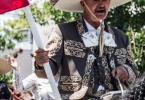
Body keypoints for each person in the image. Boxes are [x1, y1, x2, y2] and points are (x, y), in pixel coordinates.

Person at [34, 0, 139, 99]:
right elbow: (48, 71)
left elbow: (134, 72)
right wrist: (41, 63)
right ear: (83, 3)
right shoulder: (63, 32)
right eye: (95, 0)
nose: (101, 4)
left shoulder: (120, 36)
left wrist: (126, 71)